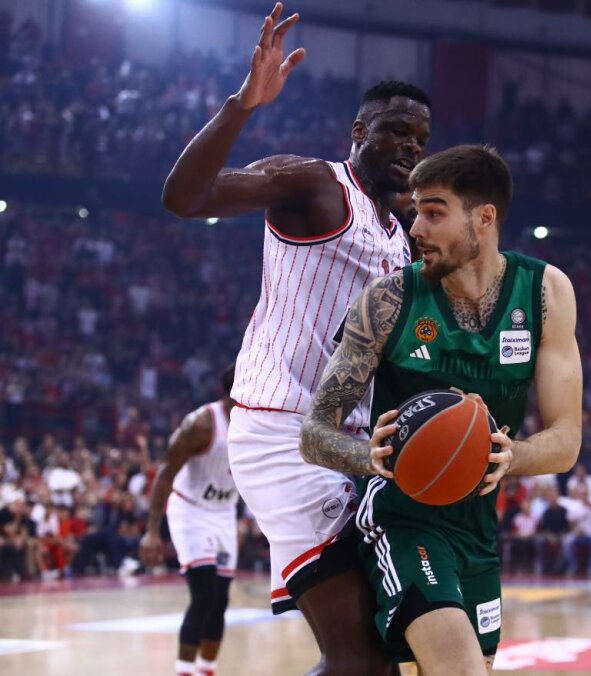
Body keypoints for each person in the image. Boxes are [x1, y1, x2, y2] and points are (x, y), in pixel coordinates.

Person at [160, 4, 431, 672]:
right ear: (360, 131)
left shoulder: (402, 235)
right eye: (397, 131)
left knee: (378, 656)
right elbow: (185, 198)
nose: (410, 147)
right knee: (359, 661)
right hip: (283, 432)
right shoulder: (314, 183)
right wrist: (242, 106)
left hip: (347, 444)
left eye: (420, 139)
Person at [300, 145, 583, 674]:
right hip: (400, 517)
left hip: (476, 527)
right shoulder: (388, 300)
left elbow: (566, 441)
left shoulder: (545, 293)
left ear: (484, 218)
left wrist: (509, 456)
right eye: (415, 213)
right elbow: (314, 432)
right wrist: (370, 457)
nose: (416, 229)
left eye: (433, 213)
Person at [139, 366, 238, 676]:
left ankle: (206, 670)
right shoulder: (202, 424)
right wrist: (152, 531)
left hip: (224, 513)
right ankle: (184, 670)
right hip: (191, 511)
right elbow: (166, 471)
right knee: (204, 593)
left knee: (220, 599)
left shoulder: (256, 422)